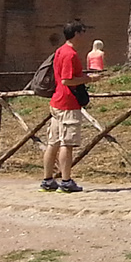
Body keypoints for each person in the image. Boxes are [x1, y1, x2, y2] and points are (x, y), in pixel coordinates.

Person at [40, 21, 99, 192]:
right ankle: (66, 181)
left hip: (58, 101)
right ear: (76, 33)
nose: (85, 35)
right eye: (83, 31)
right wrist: (90, 79)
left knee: (53, 142)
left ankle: (48, 180)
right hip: (67, 102)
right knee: (67, 143)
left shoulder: (60, 51)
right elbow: (67, 80)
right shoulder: (69, 54)